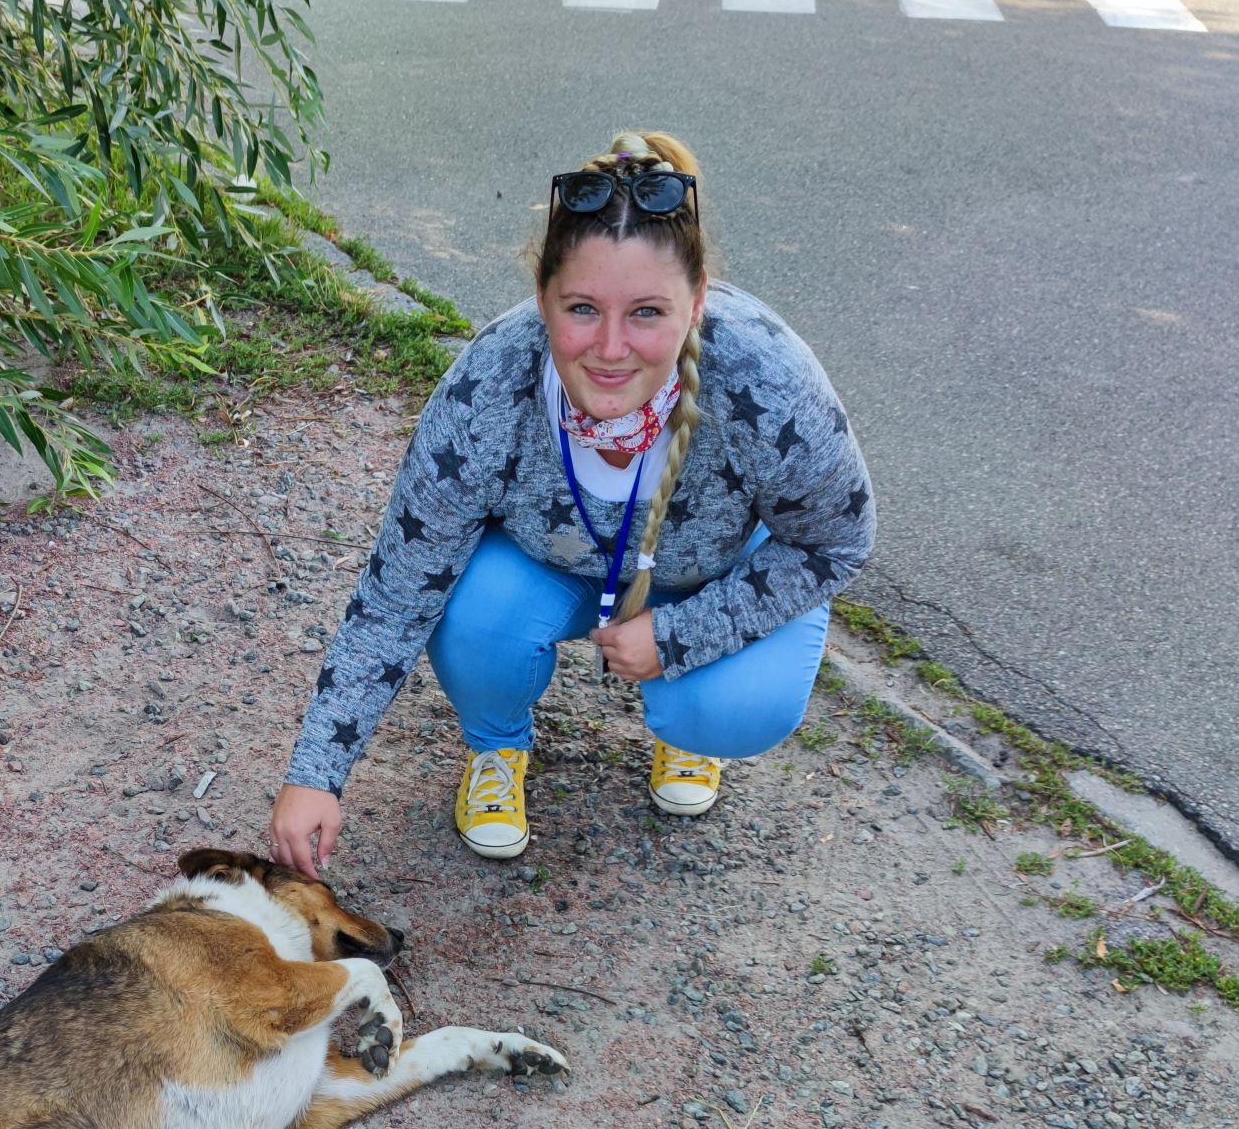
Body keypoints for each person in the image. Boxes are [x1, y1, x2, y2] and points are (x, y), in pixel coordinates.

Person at [268, 130, 874, 873]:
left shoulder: (767, 380)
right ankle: (496, 746)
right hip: (543, 569)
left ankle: (687, 730)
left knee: (734, 705)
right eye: (582, 308)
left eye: (647, 312)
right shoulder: (487, 388)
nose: (611, 348)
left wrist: (683, 635)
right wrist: (315, 774)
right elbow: (397, 592)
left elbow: (835, 540)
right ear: (541, 299)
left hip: (708, 575)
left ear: (697, 303)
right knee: (471, 614)